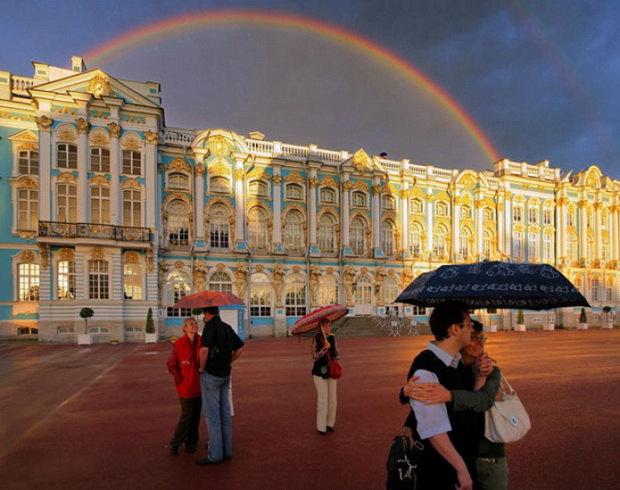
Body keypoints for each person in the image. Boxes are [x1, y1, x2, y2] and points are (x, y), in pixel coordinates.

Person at [404, 321, 507, 490]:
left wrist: (450, 395)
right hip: (460, 452)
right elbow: (428, 404)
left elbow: (481, 401)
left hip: (489, 453)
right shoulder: (450, 366)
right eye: (473, 337)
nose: (479, 343)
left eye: (483, 338)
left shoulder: (491, 370)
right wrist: (405, 391)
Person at [402, 300, 478, 490]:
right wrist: (461, 468)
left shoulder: (459, 363)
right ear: (455, 329)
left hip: (459, 458)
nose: (472, 330)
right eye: (469, 324)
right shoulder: (426, 366)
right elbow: (434, 428)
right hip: (440, 467)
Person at [195, 307, 245, 465]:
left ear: (207, 313)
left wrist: (202, 368)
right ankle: (227, 450)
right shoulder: (226, 327)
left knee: (212, 416)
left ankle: (215, 454)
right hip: (225, 375)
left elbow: (203, 350)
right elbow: (240, 347)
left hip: (211, 375)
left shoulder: (210, 326)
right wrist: (228, 361)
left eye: (204, 313)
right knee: (224, 414)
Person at [165, 317, 202, 455]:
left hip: (198, 386)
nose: (194, 326)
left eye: (195, 324)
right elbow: (171, 364)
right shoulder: (179, 344)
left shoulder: (201, 342)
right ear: (185, 328)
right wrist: (180, 380)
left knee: (196, 416)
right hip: (185, 388)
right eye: (191, 324)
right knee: (187, 416)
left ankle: (191, 443)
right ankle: (175, 443)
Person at [311, 317, 340, 435]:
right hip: (319, 372)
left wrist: (335, 355)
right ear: (320, 327)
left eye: (329, 326)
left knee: (333, 399)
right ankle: (321, 426)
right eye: (325, 326)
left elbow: (337, 353)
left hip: (331, 371)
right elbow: (314, 356)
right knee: (322, 400)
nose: (328, 328)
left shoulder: (332, 337)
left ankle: (329, 423)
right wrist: (324, 349)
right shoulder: (316, 339)